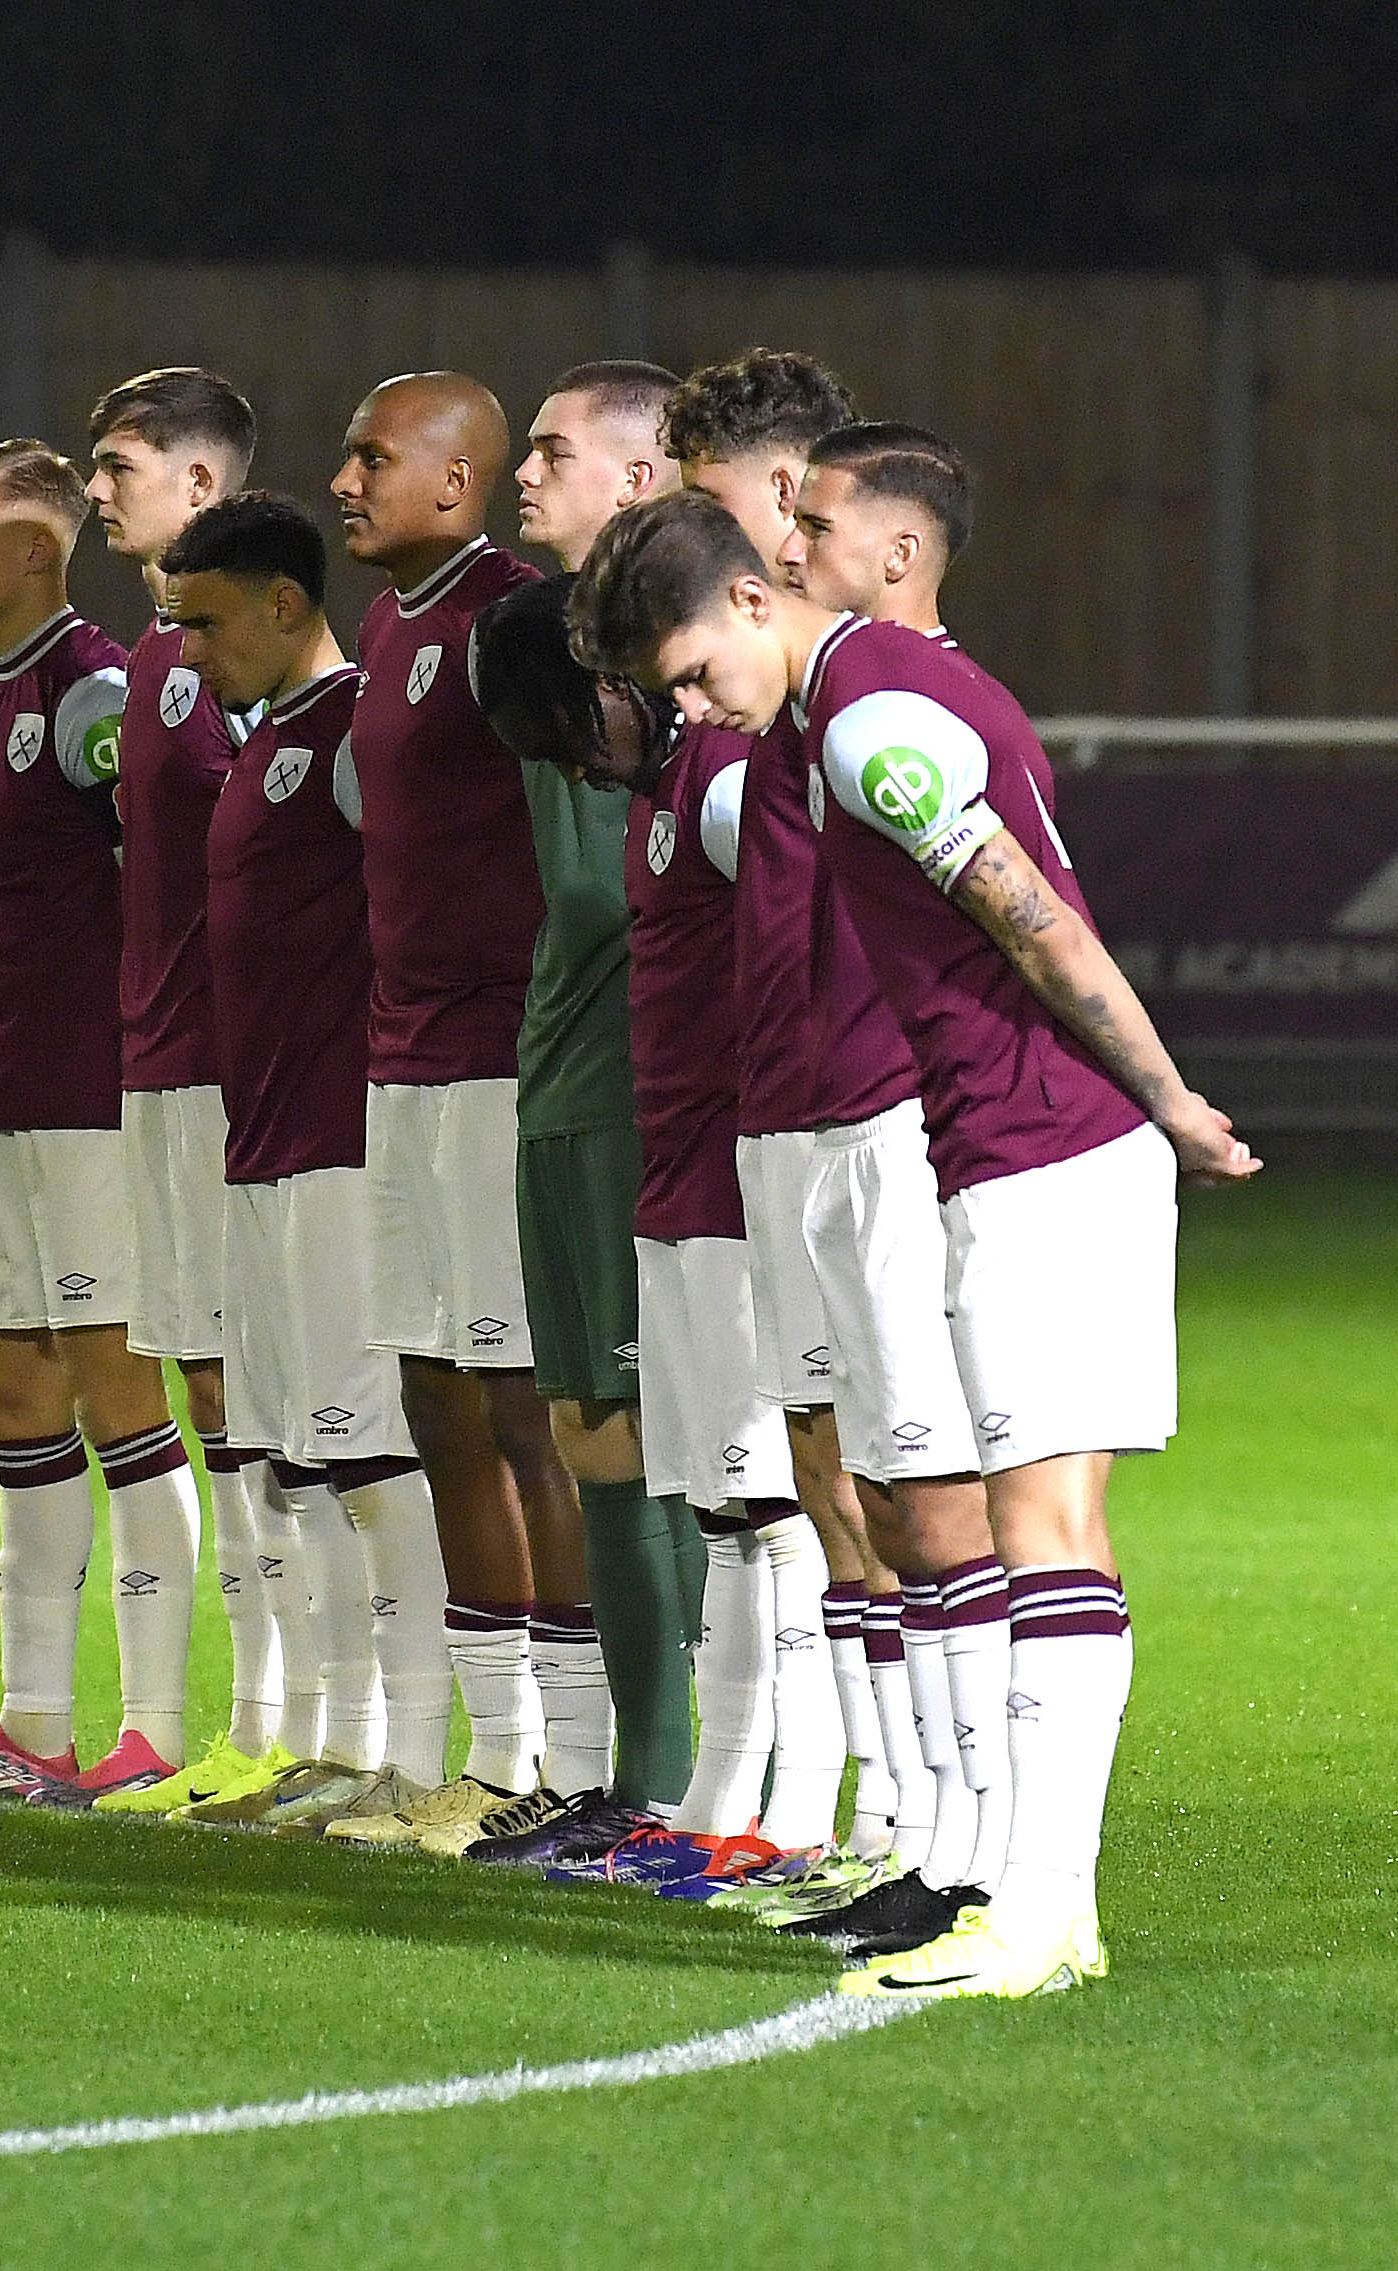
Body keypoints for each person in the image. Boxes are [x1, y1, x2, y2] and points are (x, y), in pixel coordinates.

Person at [575, 481, 1261, 2001]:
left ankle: (1039, 1914)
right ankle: (1021, 1900)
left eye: (693, 670)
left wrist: (1168, 1102)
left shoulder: (869, 727)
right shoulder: (842, 707)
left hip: (1048, 1143)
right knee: (1016, 1521)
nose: (695, 706)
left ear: (753, 599)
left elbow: (1041, 924)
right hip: (1003, 1140)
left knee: (1038, 1526)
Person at [469, 572, 848, 1907]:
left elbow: (829, 950)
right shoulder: (663, 795)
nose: (579, 764)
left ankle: (816, 1813)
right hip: (678, 1176)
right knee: (730, 1499)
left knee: (790, 1496)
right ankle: (716, 1808)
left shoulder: (732, 784)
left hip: (739, 1172)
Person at [659, 352, 945, 1890]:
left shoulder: (892, 699)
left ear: (785, 504)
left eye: (705, 498)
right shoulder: (759, 708)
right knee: (832, 1484)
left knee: (915, 1485)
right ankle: (874, 1817)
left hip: (879, 1119)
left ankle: (938, 1825)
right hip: (777, 1117)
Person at [0, 439, 198, 1806]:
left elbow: (166, 881)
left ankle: (156, 1722)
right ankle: (29, 1721)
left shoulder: (92, 698)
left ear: (32, 551)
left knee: (119, 1389)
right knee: (12, 1392)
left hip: (85, 1098)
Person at [418, 359, 699, 1866]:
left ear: (641, 479)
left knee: (671, 1434)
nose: (524, 476)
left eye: (550, 451)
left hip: (644, 1093)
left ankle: (698, 1785)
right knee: (594, 1424)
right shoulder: (552, 647)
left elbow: (607, 890)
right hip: (564, 1079)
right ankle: (637, 1777)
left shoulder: (662, 672)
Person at [156, 495, 445, 1836]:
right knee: (290, 1457)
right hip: (259, 1145)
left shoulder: (345, 733)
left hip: (339, 1145)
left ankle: (417, 1748)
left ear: (284, 603)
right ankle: (337, 1741)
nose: (188, 649)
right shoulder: (258, 737)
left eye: (205, 622)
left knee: (371, 1452)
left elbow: (419, 913)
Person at [73, 369, 326, 1823]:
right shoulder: (158, 656)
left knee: (281, 1390)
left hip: (241, 1078)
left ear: (201, 484)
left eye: (118, 465)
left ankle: (311, 1717)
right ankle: (255, 1719)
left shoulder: (235, 670)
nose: (97, 488)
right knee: (219, 1391)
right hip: (164, 1072)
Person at [323, 372, 566, 1839]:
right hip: (401, 1065)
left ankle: (563, 1763)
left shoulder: (508, 625)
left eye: (370, 456)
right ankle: (483, 1757)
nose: (342, 478)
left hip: (496, 1067)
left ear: (456, 482)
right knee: (433, 1403)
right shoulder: (389, 622)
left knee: (520, 1409)